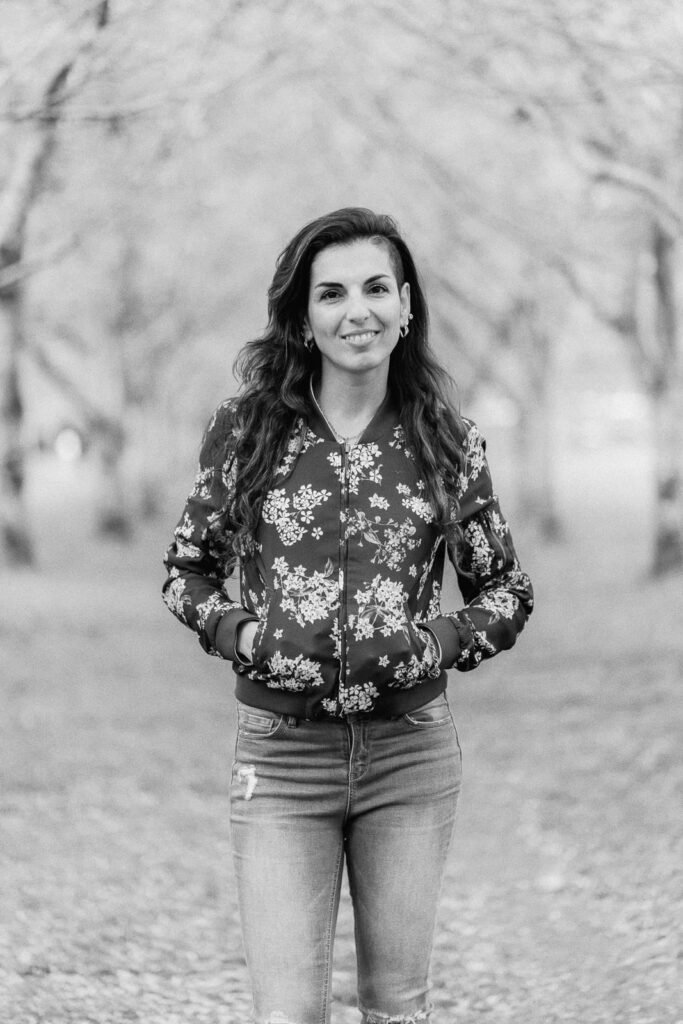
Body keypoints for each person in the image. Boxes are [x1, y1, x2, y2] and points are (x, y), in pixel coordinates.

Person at [162, 207, 534, 1024]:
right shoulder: (246, 432)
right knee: (288, 1012)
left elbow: (505, 590)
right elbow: (186, 573)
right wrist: (243, 634)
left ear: (405, 306)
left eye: (375, 288)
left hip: (409, 755)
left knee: (396, 1008)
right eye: (330, 294)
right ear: (303, 319)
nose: (355, 311)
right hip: (281, 759)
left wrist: (432, 643)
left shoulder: (447, 443)